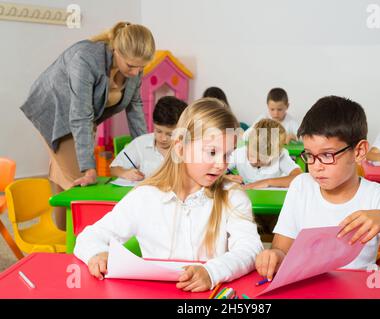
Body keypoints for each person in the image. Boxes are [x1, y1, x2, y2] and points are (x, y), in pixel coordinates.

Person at [74, 98, 263, 292]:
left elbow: (250, 249)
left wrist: (211, 272)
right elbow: (88, 237)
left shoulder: (232, 196)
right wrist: (97, 254)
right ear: (180, 149)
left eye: (227, 155)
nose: (221, 164)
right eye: (212, 152)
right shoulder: (145, 197)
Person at [255, 96, 380, 280]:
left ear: (359, 152)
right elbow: (280, 249)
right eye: (309, 156)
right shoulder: (301, 186)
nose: (316, 166)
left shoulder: (379, 197)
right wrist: (274, 257)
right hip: (308, 289)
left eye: (327, 155)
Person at [20, 21, 155, 229]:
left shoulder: (134, 68)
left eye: (141, 67)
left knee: (68, 173)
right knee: (83, 180)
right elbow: (80, 115)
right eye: (131, 66)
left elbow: (135, 108)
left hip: (85, 116)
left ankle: (62, 231)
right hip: (55, 110)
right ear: (116, 50)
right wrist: (89, 168)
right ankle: (80, 235)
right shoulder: (85, 59)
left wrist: (146, 150)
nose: (137, 72)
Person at [110, 96, 187, 181]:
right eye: (158, 131)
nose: (163, 138)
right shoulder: (141, 143)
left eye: (170, 134)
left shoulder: (189, 147)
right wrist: (125, 173)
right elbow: (114, 168)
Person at [227, 119, 302, 189]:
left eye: (261, 160)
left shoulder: (281, 156)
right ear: (248, 145)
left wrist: (267, 182)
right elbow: (218, 170)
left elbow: (299, 177)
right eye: (252, 155)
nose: (254, 161)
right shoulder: (239, 152)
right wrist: (225, 178)